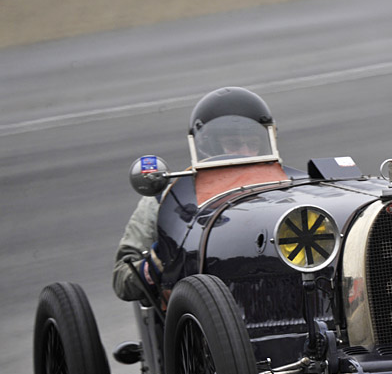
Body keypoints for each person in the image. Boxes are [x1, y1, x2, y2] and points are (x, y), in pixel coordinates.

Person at [112, 87, 288, 302]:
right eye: (233, 144)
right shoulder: (166, 200)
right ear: (210, 145)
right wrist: (161, 258)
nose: (245, 152)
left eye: (253, 144)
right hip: (196, 314)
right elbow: (122, 279)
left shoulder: (285, 189)